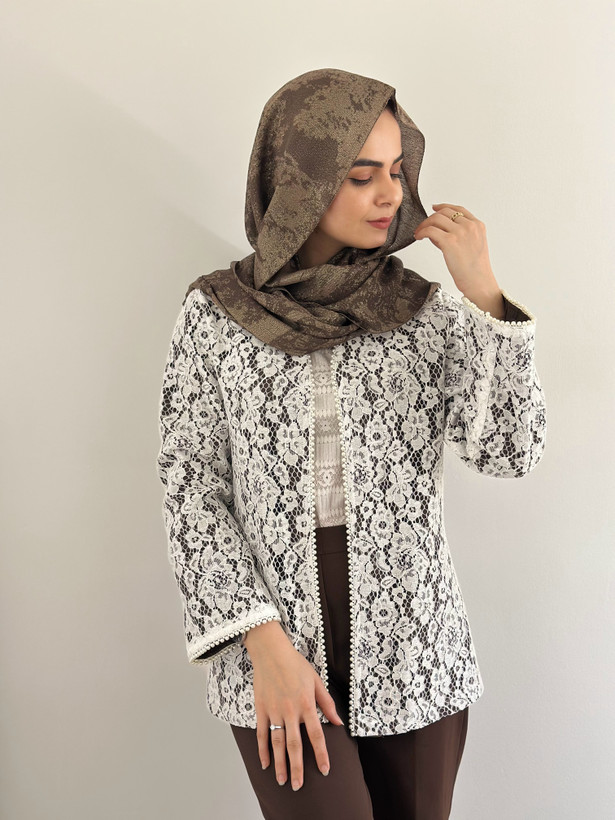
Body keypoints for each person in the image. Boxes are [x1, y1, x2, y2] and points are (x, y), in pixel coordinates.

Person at [156, 68, 547, 819]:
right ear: (296, 181)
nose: (390, 194)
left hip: (413, 646)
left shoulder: (425, 313)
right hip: (275, 639)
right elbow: (191, 488)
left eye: (397, 171)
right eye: (361, 175)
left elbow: (510, 451)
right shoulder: (216, 315)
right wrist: (263, 646)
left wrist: (485, 295)